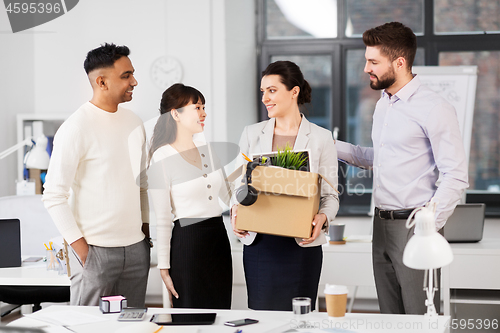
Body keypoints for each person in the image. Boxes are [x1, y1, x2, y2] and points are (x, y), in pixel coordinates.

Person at [335, 22, 468, 314]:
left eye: (373, 62)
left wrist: (428, 224)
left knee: (420, 318)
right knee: (390, 318)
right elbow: (378, 158)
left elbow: (456, 175)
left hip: (415, 226)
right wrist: (325, 143)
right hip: (381, 223)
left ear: (399, 62)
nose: (366, 68)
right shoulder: (384, 104)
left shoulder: (434, 108)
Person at [43, 43, 151, 307]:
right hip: (95, 251)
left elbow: (143, 185)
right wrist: (83, 252)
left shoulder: (135, 122)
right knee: (87, 326)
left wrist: (145, 233)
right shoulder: (75, 128)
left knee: (130, 325)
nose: (134, 81)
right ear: (101, 81)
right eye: (126, 76)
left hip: (136, 249)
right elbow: (53, 196)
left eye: (132, 74)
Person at [231, 60, 339, 311]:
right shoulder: (251, 134)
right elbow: (237, 186)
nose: (265, 98)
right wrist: (236, 209)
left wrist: (323, 217)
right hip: (260, 245)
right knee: (262, 318)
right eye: (262, 92)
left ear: (294, 91)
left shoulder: (321, 138)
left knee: (300, 320)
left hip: (301, 245)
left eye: (272, 90)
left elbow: (331, 195)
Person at [148, 83, 233, 309]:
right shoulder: (161, 156)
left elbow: (230, 196)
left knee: (221, 313)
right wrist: (164, 267)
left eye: (204, 107)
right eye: (197, 107)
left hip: (218, 239)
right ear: (175, 113)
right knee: (191, 316)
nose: (204, 113)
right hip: (187, 243)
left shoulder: (209, 150)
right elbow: (164, 219)